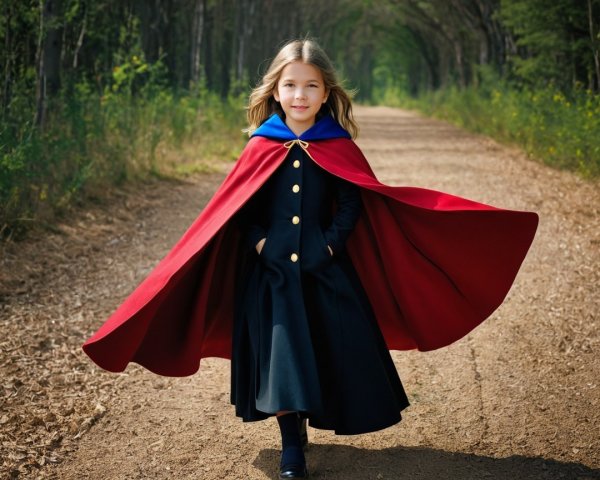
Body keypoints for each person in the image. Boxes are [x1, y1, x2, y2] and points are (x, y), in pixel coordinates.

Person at [82, 39, 538, 479]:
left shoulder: (337, 144)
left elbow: (352, 203)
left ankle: (304, 423)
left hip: (325, 274)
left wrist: (330, 246)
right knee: (281, 359)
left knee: (319, 352)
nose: (300, 94)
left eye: (311, 85)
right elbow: (239, 208)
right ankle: (291, 445)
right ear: (275, 92)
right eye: (290, 85)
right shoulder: (259, 146)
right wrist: (261, 244)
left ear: (327, 93)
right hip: (271, 276)